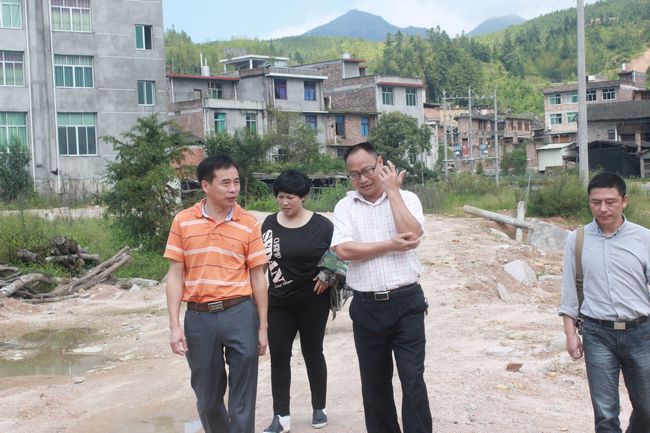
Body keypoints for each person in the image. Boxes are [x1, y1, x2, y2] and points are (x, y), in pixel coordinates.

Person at [331, 142, 432, 433]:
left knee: (412, 378)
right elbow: (343, 250)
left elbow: (411, 235)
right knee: (374, 383)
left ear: (381, 163)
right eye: (354, 175)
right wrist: (389, 244)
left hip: (406, 302)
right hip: (367, 306)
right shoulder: (345, 206)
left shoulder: (407, 198)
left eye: (367, 171)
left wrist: (393, 192)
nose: (362, 179)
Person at [164, 154, 268, 433]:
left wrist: (262, 327)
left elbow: (258, 277)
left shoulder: (249, 223)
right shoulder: (183, 221)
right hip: (199, 318)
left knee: (243, 397)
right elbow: (175, 275)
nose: (233, 189)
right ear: (205, 186)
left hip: (240, 312)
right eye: (225, 183)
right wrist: (174, 326)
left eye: (236, 182)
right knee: (208, 398)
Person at [560, 172, 650, 433]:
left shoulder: (644, 238)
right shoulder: (577, 240)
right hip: (597, 334)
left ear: (624, 201)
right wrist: (570, 335)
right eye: (596, 202)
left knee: (647, 409)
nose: (603, 208)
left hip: (641, 333)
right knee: (605, 415)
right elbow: (569, 292)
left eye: (610, 202)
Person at [261, 169, 334, 433]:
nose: (284, 202)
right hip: (278, 301)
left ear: (303, 196)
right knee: (279, 355)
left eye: (290, 197)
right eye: (280, 196)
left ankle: (319, 407)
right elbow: (262, 262)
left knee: (312, 352)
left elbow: (340, 252)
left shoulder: (323, 226)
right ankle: (281, 416)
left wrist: (328, 274)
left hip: (313, 300)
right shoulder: (269, 224)